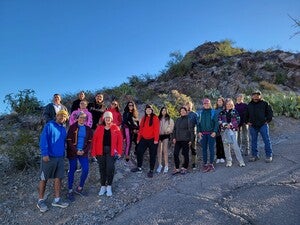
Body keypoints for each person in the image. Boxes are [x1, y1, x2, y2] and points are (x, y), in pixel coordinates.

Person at [37, 110, 69, 213]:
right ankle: (40, 200)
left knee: (58, 178)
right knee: (44, 178)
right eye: (60, 116)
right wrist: (45, 153)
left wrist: (64, 154)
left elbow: (64, 143)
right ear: (56, 116)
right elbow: (43, 140)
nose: (62, 118)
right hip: (49, 157)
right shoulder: (49, 125)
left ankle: (57, 200)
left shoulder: (63, 129)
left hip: (59, 157)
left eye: (64, 117)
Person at [91, 111, 122, 196]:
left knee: (110, 168)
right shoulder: (99, 128)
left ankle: (109, 186)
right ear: (104, 119)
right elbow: (94, 141)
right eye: (106, 117)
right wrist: (93, 153)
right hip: (100, 151)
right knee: (102, 169)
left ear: (111, 119)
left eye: (109, 118)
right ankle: (102, 186)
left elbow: (120, 141)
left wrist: (119, 152)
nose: (108, 119)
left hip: (111, 151)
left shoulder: (115, 127)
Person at [66, 112, 93, 201]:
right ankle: (70, 190)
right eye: (80, 117)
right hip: (73, 152)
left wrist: (84, 151)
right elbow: (69, 141)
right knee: (72, 170)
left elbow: (89, 142)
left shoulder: (88, 129)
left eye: (84, 118)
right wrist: (76, 150)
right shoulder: (72, 127)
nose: (82, 119)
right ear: (77, 118)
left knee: (85, 169)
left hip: (83, 153)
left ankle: (80, 188)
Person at [131, 104, 160, 178]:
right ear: (145, 110)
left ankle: (151, 170)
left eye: (150, 109)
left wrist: (156, 139)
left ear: (152, 110)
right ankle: (139, 167)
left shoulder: (155, 118)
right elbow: (140, 129)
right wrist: (138, 138)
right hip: (143, 139)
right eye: (147, 109)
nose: (148, 110)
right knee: (139, 151)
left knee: (152, 155)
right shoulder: (144, 118)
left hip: (153, 139)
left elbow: (156, 129)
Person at [245, 91, 273, 163]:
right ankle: (254, 155)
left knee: (266, 140)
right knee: (253, 141)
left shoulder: (265, 103)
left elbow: (270, 112)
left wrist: (267, 120)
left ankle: (269, 155)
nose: (256, 96)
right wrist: (246, 122)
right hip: (253, 126)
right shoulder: (249, 105)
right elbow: (246, 114)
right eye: (254, 95)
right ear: (252, 96)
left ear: (260, 96)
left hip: (263, 125)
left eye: (257, 95)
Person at [218, 98, 246, 167]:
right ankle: (229, 161)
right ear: (225, 104)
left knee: (235, 146)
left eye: (230, 104)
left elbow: (238, 120)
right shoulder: (222, 112)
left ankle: (241, 161)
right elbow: (219, 120)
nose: (229, 105)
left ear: (232, 104)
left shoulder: (235, 111)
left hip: (233, 131)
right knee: (226, 146)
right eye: (227, 104)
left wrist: (230, 125)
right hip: (224, 131)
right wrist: (225, 125)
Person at [197, 98, 219, 172]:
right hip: (203, 134)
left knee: (211, 149)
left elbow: (216, 123)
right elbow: (198, 124)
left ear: (210, 104)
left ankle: (211, 164)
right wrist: (199, 132)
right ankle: (205, 164)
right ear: (203, 105)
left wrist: (215, 132)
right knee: (204, 149)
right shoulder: (200, 113)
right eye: (205, 103)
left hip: (211, 133)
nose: (206, 105)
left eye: (207, 103)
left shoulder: (213, 112)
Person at [172, 107, 193, 175]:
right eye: (181, 111)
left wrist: (191, 140)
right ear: (180, 112)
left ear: (186, 112)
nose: (182, 112)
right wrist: (174, 137)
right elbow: (174, 129)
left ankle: (185, 167)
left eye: (184, 111)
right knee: (175, 153)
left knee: (185, 154)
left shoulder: (189, 120)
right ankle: (177, 168)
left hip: (185, 140)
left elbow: (191, 131)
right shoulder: (178, 120)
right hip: (178, 140)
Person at [157, 106, 174, 173]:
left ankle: (166, 165)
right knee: (159, 151)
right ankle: (160, 165)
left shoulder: (169, 119)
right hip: (159, 135)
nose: (163, 111)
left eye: (165, 110)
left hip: (166, 135)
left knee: (165, 150)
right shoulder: (158, 118)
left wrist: (167, 130)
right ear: (161, 111)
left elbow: (171, 127)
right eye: (162, 110)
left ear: (167, 111)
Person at [185, 101, 198, 170]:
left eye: (189, 105)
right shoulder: (183, 114)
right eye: (187, 105)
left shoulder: (194, 114)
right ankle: (185, 163)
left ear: (191, 106)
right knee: (185, 149)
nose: (188, 107)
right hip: (184, 135)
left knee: (193, 149)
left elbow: (197, 124)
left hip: (192, 134)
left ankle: (194, 163)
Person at [214, 97, 226, 164]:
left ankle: (223, 156)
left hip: (223, 128)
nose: (219, 102)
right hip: (216, 128)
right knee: (218, 143)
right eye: (218, 101)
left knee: (223, 143)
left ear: (223, 102)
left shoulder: (224, 109)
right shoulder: (215, 110)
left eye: (220, 101)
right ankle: (218, 156)